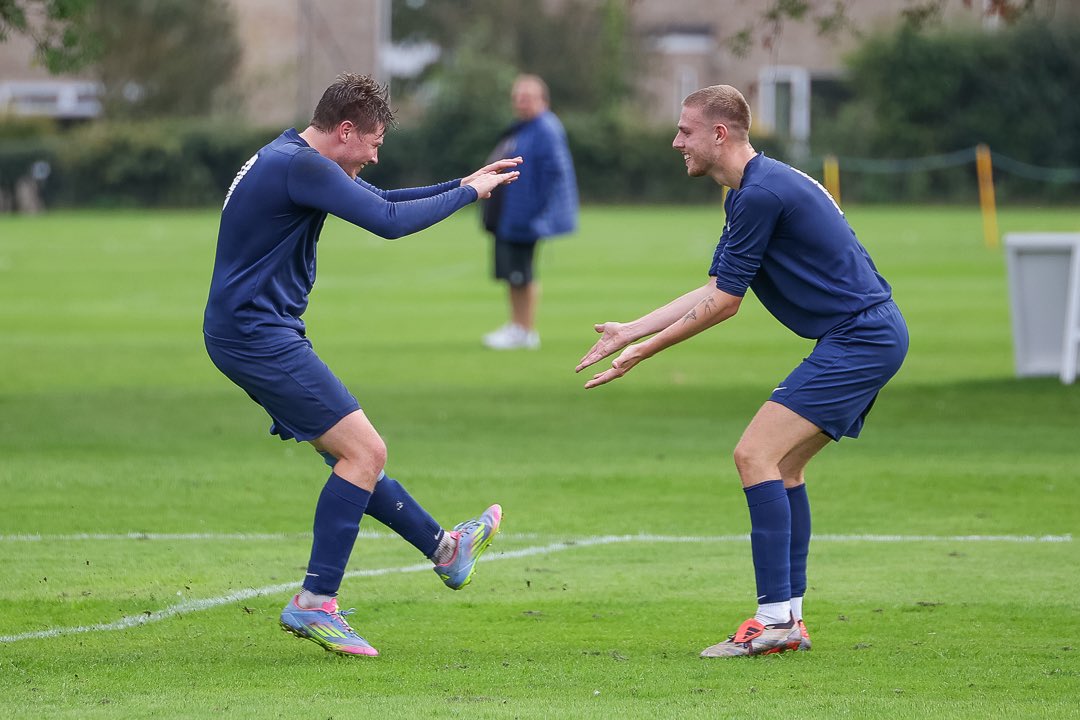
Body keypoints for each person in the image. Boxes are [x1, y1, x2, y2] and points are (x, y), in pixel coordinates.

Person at [575, 85, 908, 658]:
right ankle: (790, 619)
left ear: (719, 134)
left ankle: (772, 619)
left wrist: (645, 352)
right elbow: (715, 288)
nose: (676, 140)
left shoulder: (759, 195)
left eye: (685, 130)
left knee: (754, 455)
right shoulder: (752, 190)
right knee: (784, 468)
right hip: (866, 334)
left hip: (861, 336)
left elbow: (727, 305)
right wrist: (631, 329)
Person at [203, 72, 520, 657]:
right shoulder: (300, 166)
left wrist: (464, 182)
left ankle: (447, 551)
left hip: (249, 332)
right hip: (255, 335)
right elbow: (390, 225)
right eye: (373, 143)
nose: (375, 156)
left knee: (350, 456)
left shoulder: (293, 158)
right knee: (365, 452)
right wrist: (469, 195)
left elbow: (383, 202)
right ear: (345, 130)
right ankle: (314, 603)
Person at [481, 74, 578, 350]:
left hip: (526, 217)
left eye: (527, 98)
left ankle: (525, 330)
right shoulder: (523, 128)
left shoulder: (546, 128)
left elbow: (555, 172)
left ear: (543, 100)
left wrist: (538, 212)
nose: (521, 103)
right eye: (517, 98)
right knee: (513, 274)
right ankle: (516, 326)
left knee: (523, 274)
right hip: (511, 215)